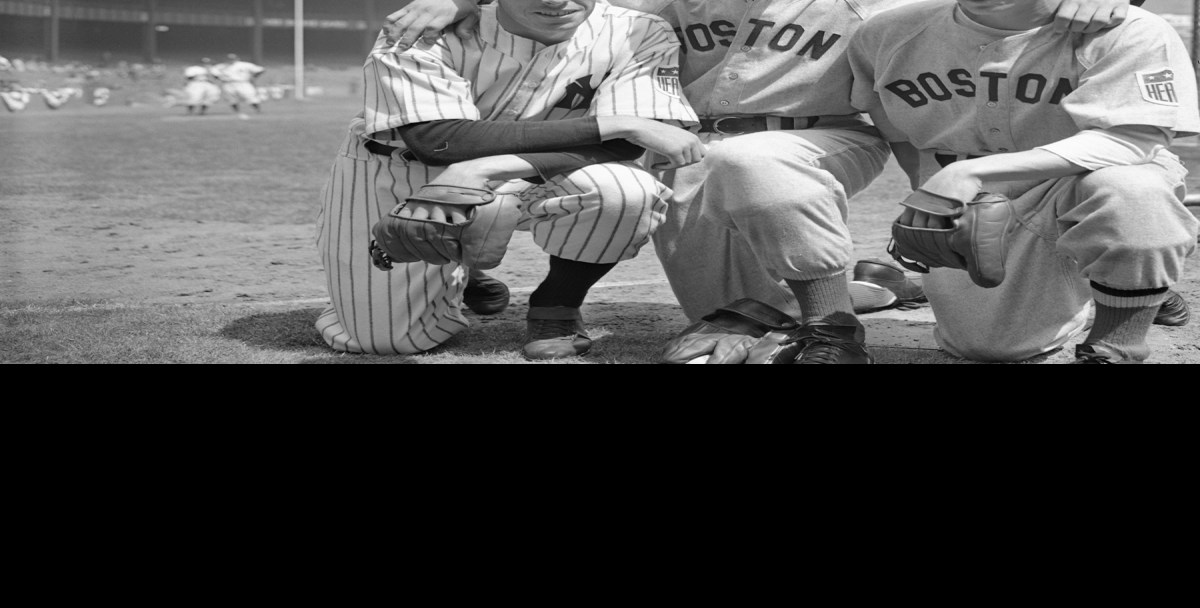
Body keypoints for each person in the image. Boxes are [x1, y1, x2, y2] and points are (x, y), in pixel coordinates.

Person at [389, 0, 1137, 365]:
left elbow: (982, 14)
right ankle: (872, 285)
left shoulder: (874, 2)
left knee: (752, 168)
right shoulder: (667, 1)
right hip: (690, 149)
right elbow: (572, 9)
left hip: (823, 137)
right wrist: (461, 1)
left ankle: (830, 322)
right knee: (722, 315)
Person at [316, 0, 702, 358]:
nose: (557, 0)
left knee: (625, 191)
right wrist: (614, 122)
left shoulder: (637, 30)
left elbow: (627, 145)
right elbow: (437, 141)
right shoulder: (424, 26)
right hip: (401, 169)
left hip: (540, 170)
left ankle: (557, 303)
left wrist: (484, 169)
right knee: (385, 342)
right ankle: (459, 268)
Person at [848, 0, 1197, 363]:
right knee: (988, 346)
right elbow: (896, 131)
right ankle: (1117, 279)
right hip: (979, 202)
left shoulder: (1125, 27)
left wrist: (968, 172)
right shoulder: (887, 32)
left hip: (1083, 181)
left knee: (1130, 190)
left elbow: (1134, 139)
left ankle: (1120, 332)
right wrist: (933, 200)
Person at [213, 54, 265, 118]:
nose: (231, 60)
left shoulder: (244, 64)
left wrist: (253, 77)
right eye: (229, 59)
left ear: (237, 59)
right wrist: (220, 78)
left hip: (243, 82)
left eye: (232, 59)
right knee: (231, 98)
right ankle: (237, 112)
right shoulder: (221, 66)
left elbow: (260, 70)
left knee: (250, 96)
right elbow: (214, 74)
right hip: (228, 83)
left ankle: (258, 110)